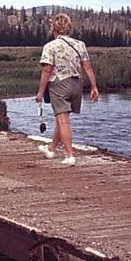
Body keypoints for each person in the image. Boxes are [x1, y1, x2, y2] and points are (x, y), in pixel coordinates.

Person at [36, 13, 99, 166]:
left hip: (59, 85)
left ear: (54, 29)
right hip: (77, 85)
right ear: (69, 27)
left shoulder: (50, 46)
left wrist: (40, 92)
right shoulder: (80, 44)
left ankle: (70, 156)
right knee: (62, 118)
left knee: (63, 121)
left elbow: (47, 70)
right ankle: (51, 149)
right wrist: (94, 87)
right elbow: (87, 67)